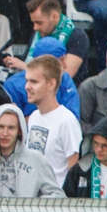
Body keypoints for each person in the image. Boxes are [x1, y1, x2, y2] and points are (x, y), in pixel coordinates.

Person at [23, 54, 81, 185]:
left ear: (51, 84)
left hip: (56, 200)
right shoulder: (33, 117)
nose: (27, 86)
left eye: (34, 81)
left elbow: (74, 170)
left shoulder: (67, 121)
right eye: (27, 80)